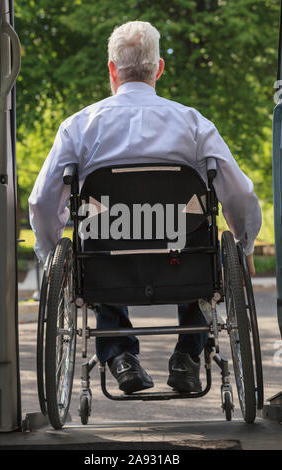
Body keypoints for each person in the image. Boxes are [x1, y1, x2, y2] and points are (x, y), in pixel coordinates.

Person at [29, 21, 262, 395]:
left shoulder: (79, 127)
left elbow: (42, 201)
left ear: (111, 69)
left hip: (108, 267)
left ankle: (120, 356)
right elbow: (239, 195)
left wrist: (49, 254)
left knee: (99, 233)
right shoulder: (194, 125)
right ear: (158, 68)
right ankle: (187, 355)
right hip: (183, 263)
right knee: (192, 228)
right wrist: (243, 241)